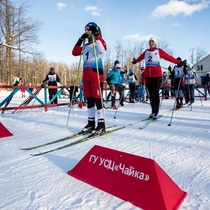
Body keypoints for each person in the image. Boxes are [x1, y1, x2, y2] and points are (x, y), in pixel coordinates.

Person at [132, 36, 184, 119]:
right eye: (150, 42)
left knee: (155, 93)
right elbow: (140, 57)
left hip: (156, 75)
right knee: (151, 94)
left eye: (153, 42)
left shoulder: (158, 51)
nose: (151, 43)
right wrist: (135, 61)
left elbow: (168, 57)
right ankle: (153, 110)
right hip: (148, 75)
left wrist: (178, 62)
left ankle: (156, 111)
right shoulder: (146, 51)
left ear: (155, 43)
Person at [72, 22, 107, 135]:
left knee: (98, 99)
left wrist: (97, 37)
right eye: (85, 30)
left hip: (96, 75)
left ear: (93, 30)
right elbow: (74, 52)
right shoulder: (86, 46)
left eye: (88, 29)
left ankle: (101, 124)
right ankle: (91, 123)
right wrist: (80, 39)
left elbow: (102, 50)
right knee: (90, 100)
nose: (86, 31)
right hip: (86, 76)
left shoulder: (99, 42)